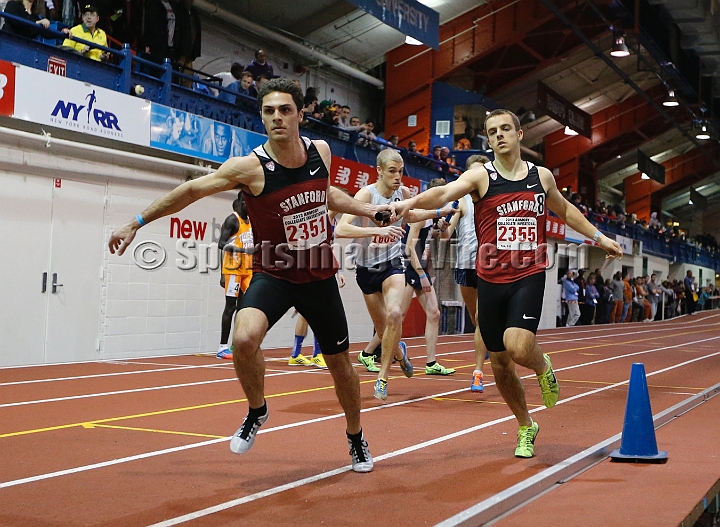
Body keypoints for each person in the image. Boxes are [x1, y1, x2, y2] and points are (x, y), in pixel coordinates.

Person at [108, 78, 397, 473]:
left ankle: (356, 437)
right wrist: (136, 222)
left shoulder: (321, 152)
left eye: (285, 110)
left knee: (340, 365)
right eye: (268, 111)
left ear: (300, 114)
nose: (277, 118)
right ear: (261, 117)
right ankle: (257, 410)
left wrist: (367, 212)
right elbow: (192, 190)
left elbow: (325, 193)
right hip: (273, 273)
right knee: (243, 337)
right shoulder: (250, 167)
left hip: (317, 277)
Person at [393, 109, 623, 458]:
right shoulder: (480, 176)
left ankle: (544, 367)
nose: (498, 135)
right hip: (490, 278)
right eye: (492, 131)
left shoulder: (541, 177)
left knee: (517, 347)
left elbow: (564, 210)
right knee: (499, 363)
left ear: (519, 135)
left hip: (527, 274)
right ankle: (526, 426)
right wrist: (408, 203)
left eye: (505, 129)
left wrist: (599, 237)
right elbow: (444, 194)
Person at [335, 149, 453, 400]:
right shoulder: (366, 194)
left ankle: (383, 378)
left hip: (392, 263)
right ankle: (399, 353)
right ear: (378, 170)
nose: (398, 177)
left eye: (401, 171)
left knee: (395, 313)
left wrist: (439, 213)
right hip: (366, 269)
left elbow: (410, 216)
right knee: (383, 329)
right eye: (392, 171)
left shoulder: (404, 194)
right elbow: (341, 229)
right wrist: (376, 232)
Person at [442, 154, 490, 392]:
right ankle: (485, 344)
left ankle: (478, 373)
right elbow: (446, 234)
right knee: (475, 317)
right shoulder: (461, 200)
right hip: (465, 264)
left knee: (482, 317)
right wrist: (442, 225)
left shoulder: (495, 198)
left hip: (490, 265)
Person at [401, 178, 455, 377]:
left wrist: (443, 225)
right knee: (397, 317)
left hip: (418, 267)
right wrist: (422, 275)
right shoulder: (421, 214)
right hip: (408, 266)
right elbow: (409, 248)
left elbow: (445, 237)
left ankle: (431, 362)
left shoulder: (433, 214)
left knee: (433, 313)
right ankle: (369, 352)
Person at [216, 193, 253, 360]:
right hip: (233, 269)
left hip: (248, 269)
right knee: (230, 307)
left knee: (249, 306)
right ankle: (222, 347)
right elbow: (221, 244)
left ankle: (237, 344)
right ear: (241, 202)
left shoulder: (252, 220)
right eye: (247, 202)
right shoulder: (232, 220)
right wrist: (240, 250)